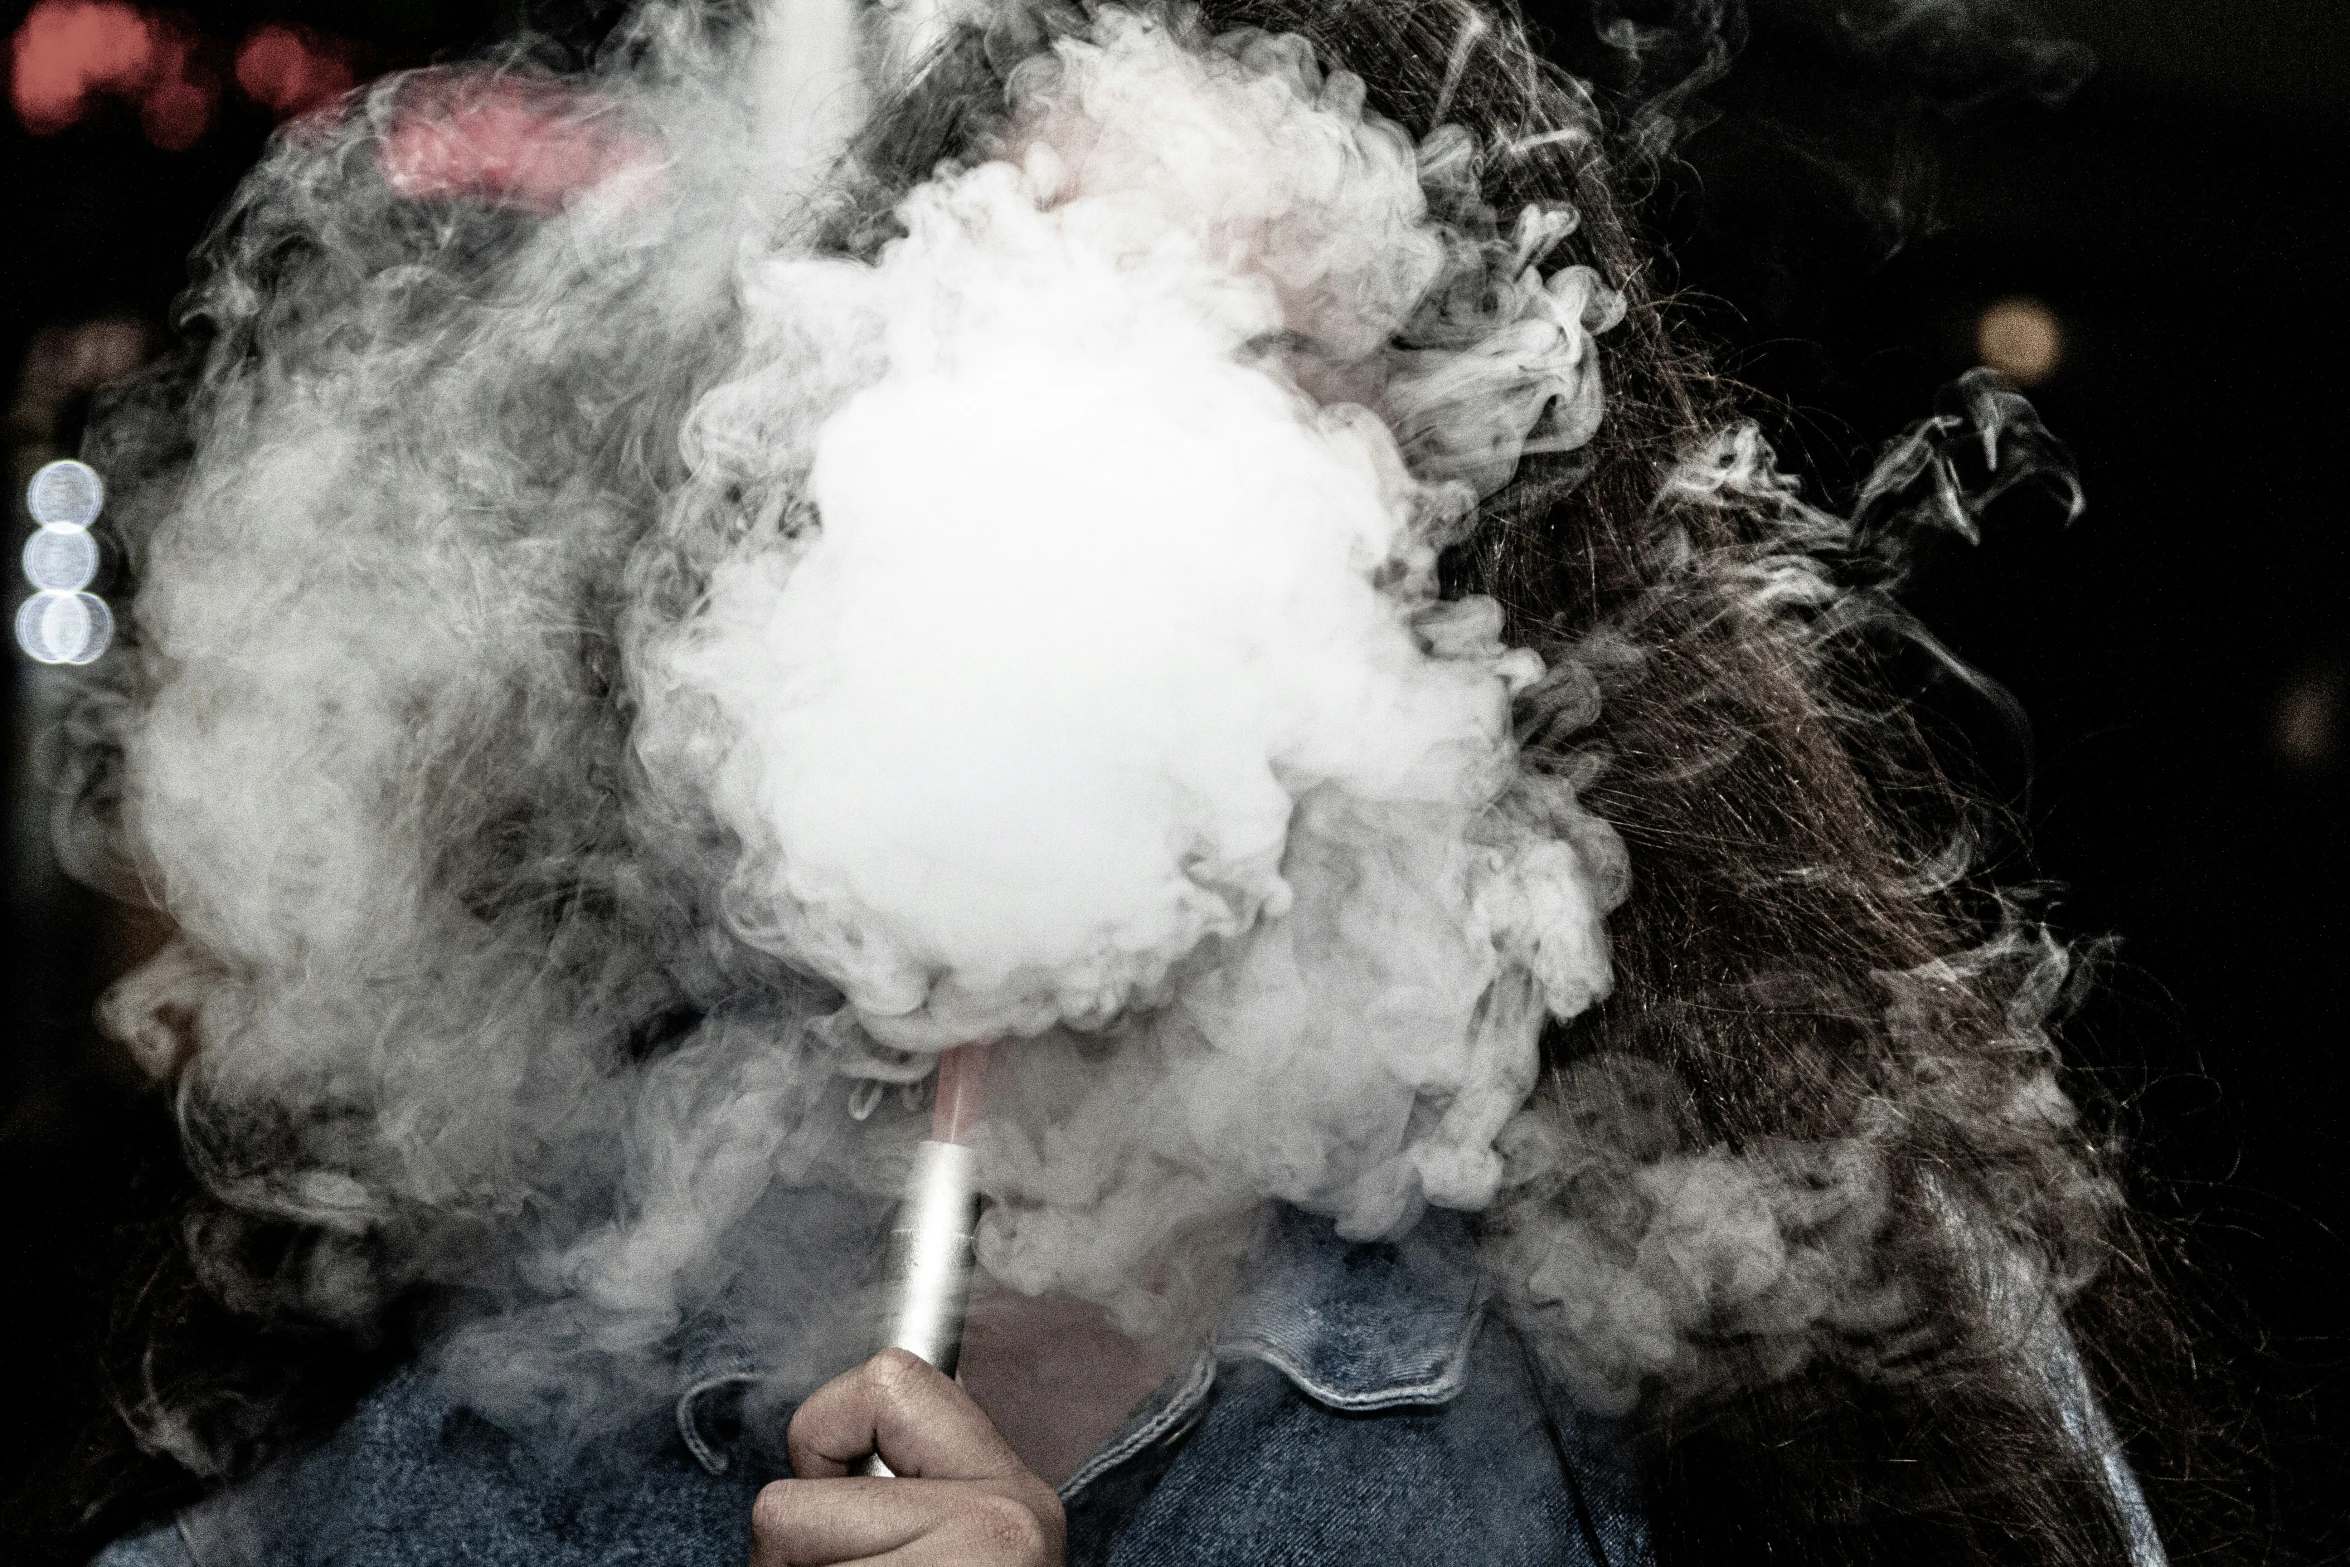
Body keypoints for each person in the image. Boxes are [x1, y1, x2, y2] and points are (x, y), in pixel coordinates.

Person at [67, 0, 2184, 1563]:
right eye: (1020, 348)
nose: (1086, 495)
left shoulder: (1809, 1325)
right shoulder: (545, 1287)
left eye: (1233, 373)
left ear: (1464, 529)